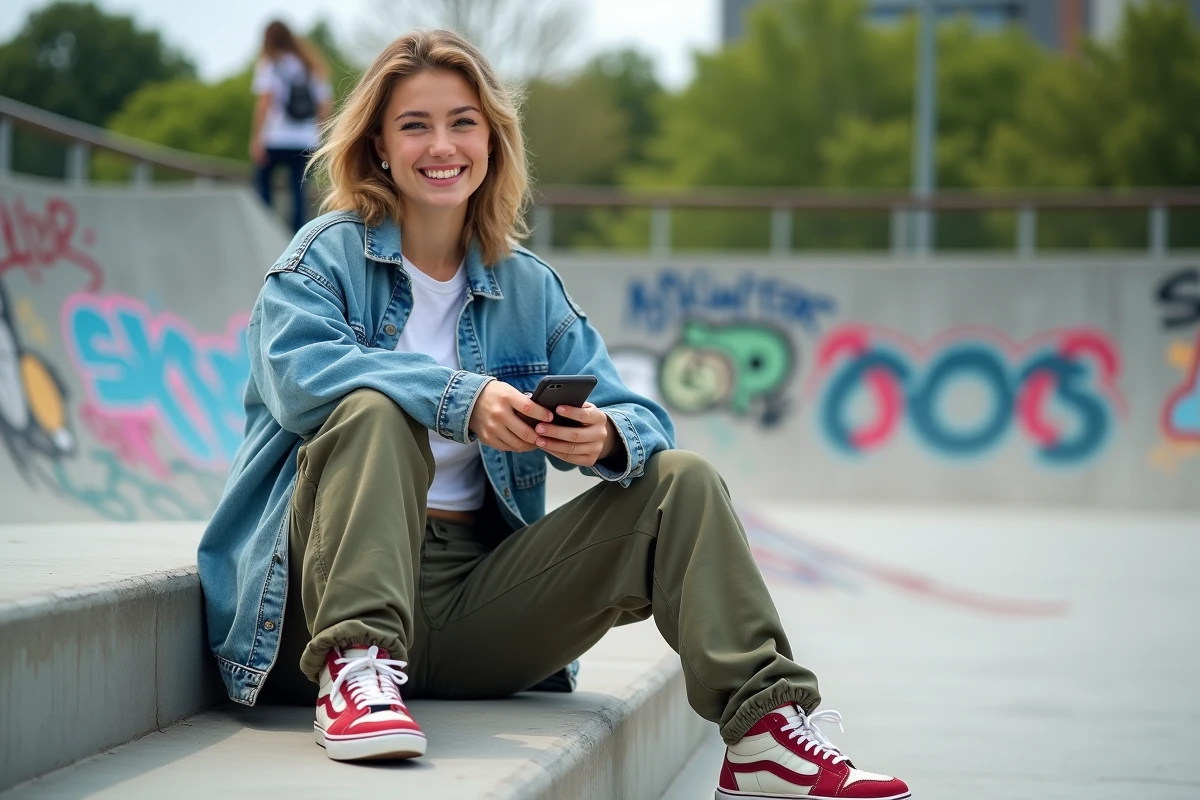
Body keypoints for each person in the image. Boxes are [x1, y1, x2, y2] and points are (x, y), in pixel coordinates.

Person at [198, 28, 910, 800]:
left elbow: (641, 416)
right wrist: (460, 399)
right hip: (320, 608)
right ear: (377, 146)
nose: (443, 145)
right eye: (415, 125)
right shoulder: (322, 258)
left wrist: (604, 437)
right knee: (374, 409)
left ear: (494, 140)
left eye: (463, 121)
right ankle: (357, 673)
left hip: (476, 604)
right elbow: (301, 376)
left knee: (681, 480)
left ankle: (764, 737)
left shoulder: (526, 289)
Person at [249, 20, 333, 232]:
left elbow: (264, 104)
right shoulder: (310, 64)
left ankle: (265, 228)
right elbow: (325, 104)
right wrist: (320, 135)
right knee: (299, 191)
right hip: (305, 139)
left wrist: (257, 138)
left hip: (276, 138)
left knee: (262, 183)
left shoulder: (270, 64)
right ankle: (297, 236)